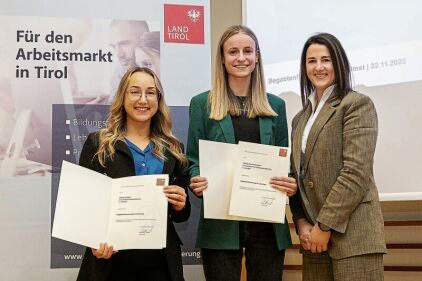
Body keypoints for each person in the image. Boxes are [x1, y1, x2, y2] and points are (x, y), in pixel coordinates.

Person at [186, 25, 297, 281]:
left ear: (257, 57)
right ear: (223, 59)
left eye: (248, 51)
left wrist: (289, 182)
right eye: (233, 52)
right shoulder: (202, 104)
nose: (241, 57)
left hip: (266, 222)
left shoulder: (276, 106)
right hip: (221, 222)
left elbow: (285, 163)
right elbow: (193, 159)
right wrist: (196, 179)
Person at [76, 67, 190, 281]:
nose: (143, 99)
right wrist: (94, 241)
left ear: (158, 99)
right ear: (123, 96)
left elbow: (182, 215)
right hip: (110, 262)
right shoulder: (98, 143)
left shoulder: (174, 149)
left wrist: (181, 203)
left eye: (150, 92)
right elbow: (84, 206)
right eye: (135, 91)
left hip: (160, 263)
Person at [289, 33, 386, 281]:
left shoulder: (356, 104)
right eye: (312, 61)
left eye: (326, 60)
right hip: (314, 243)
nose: (319, 67)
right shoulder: (299, 119)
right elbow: (296, 177)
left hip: (353, 239)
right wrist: (301, 224)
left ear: (339, 63)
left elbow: (355, 173)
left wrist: (324, 226)